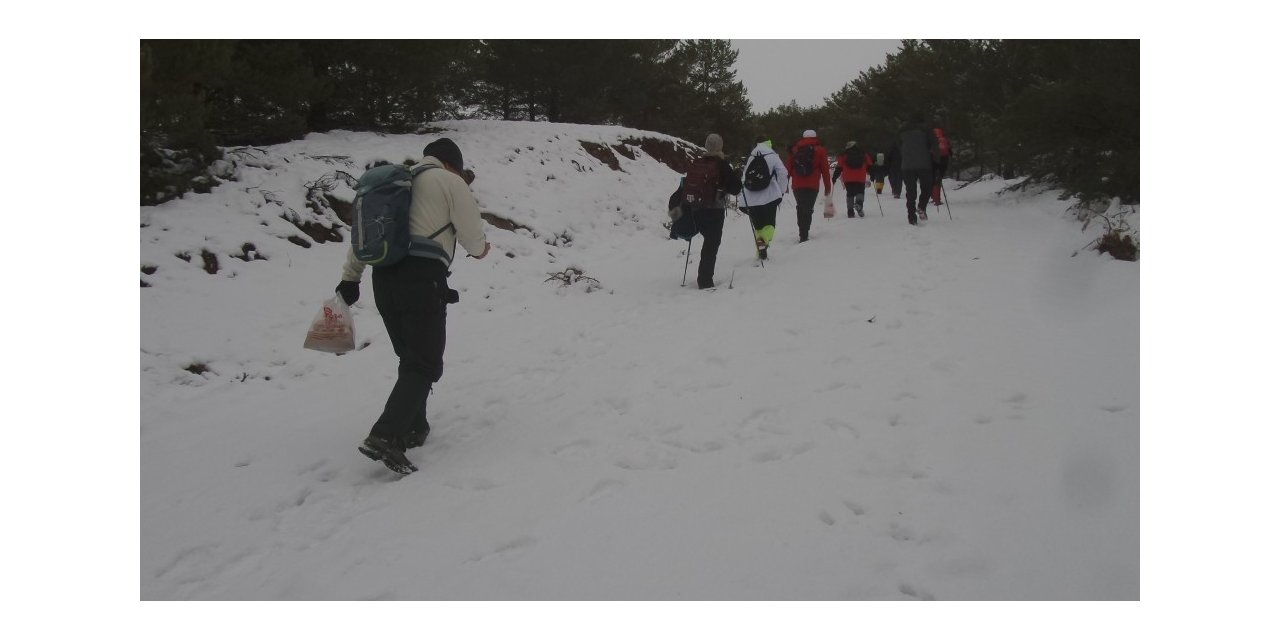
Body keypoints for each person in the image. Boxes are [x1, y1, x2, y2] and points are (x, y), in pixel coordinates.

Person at [334, 138, 491, 474]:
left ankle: (414, 427)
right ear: (453, 164)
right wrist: (481, 250)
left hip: (383, 278)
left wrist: (351, 278)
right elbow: (472, 237)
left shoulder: (395, 183)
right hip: (422, 278)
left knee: (411, 356)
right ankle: (385, 434)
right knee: (425, 362)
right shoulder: (450, 182)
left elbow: (365, 238)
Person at [682, 133, 743, 289]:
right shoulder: (722, 164)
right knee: (711, 244)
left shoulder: (698, 161)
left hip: (696, 208)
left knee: (708, 241)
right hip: (714, 210)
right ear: (720, 147)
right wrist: (736, 176)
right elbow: (736, 189)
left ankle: (704, 277)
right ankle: (705, 280)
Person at [739, 135, 790, 260]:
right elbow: (783, 174)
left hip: (751, 199)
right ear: (769, 143)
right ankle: (764, 241)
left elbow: (745, 177)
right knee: (770, 225)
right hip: (769, 196)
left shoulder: (751, 156)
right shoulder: (773, 155)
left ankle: (760, 251)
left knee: (758, 226)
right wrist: (782, 191)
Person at [786, 129, 832, 242]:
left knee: (801, 206)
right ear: (815, 137)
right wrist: (827, 187)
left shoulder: (795, 149)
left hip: (797, 184)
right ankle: (804, 234)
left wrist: (785, 184)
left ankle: (802, 230)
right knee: (808, 208)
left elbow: (788, 167)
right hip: (812, 184)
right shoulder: (820, 150)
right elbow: (825, 170)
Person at [897, 113, 939, 226]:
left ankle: (911, 217)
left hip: (907, 165)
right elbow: (935, 145)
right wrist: (936, 161)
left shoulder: (902, 131)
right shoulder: (927, 130)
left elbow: (898, 146)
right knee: (927, 187)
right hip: (924, 164)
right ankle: (921, 206)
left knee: (910, 191)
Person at [831, 141, 872, 218]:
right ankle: (859, 204)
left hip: (848, 178)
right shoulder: (863, 154)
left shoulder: (843, 155)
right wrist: (872, 175)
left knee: (850, 194)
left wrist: (834, 178)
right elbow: (869, 165)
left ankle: (850, 212)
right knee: (860, 192)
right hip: (860, 177)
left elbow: (839, 167)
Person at [931, 119, 952, 205]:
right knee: (938, 180)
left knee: (933, 180)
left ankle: (934, 197)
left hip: (933, 162)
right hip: (943, 162)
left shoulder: (931, 140)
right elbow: (950, 152)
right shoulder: (945, 139)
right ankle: (937, 199)